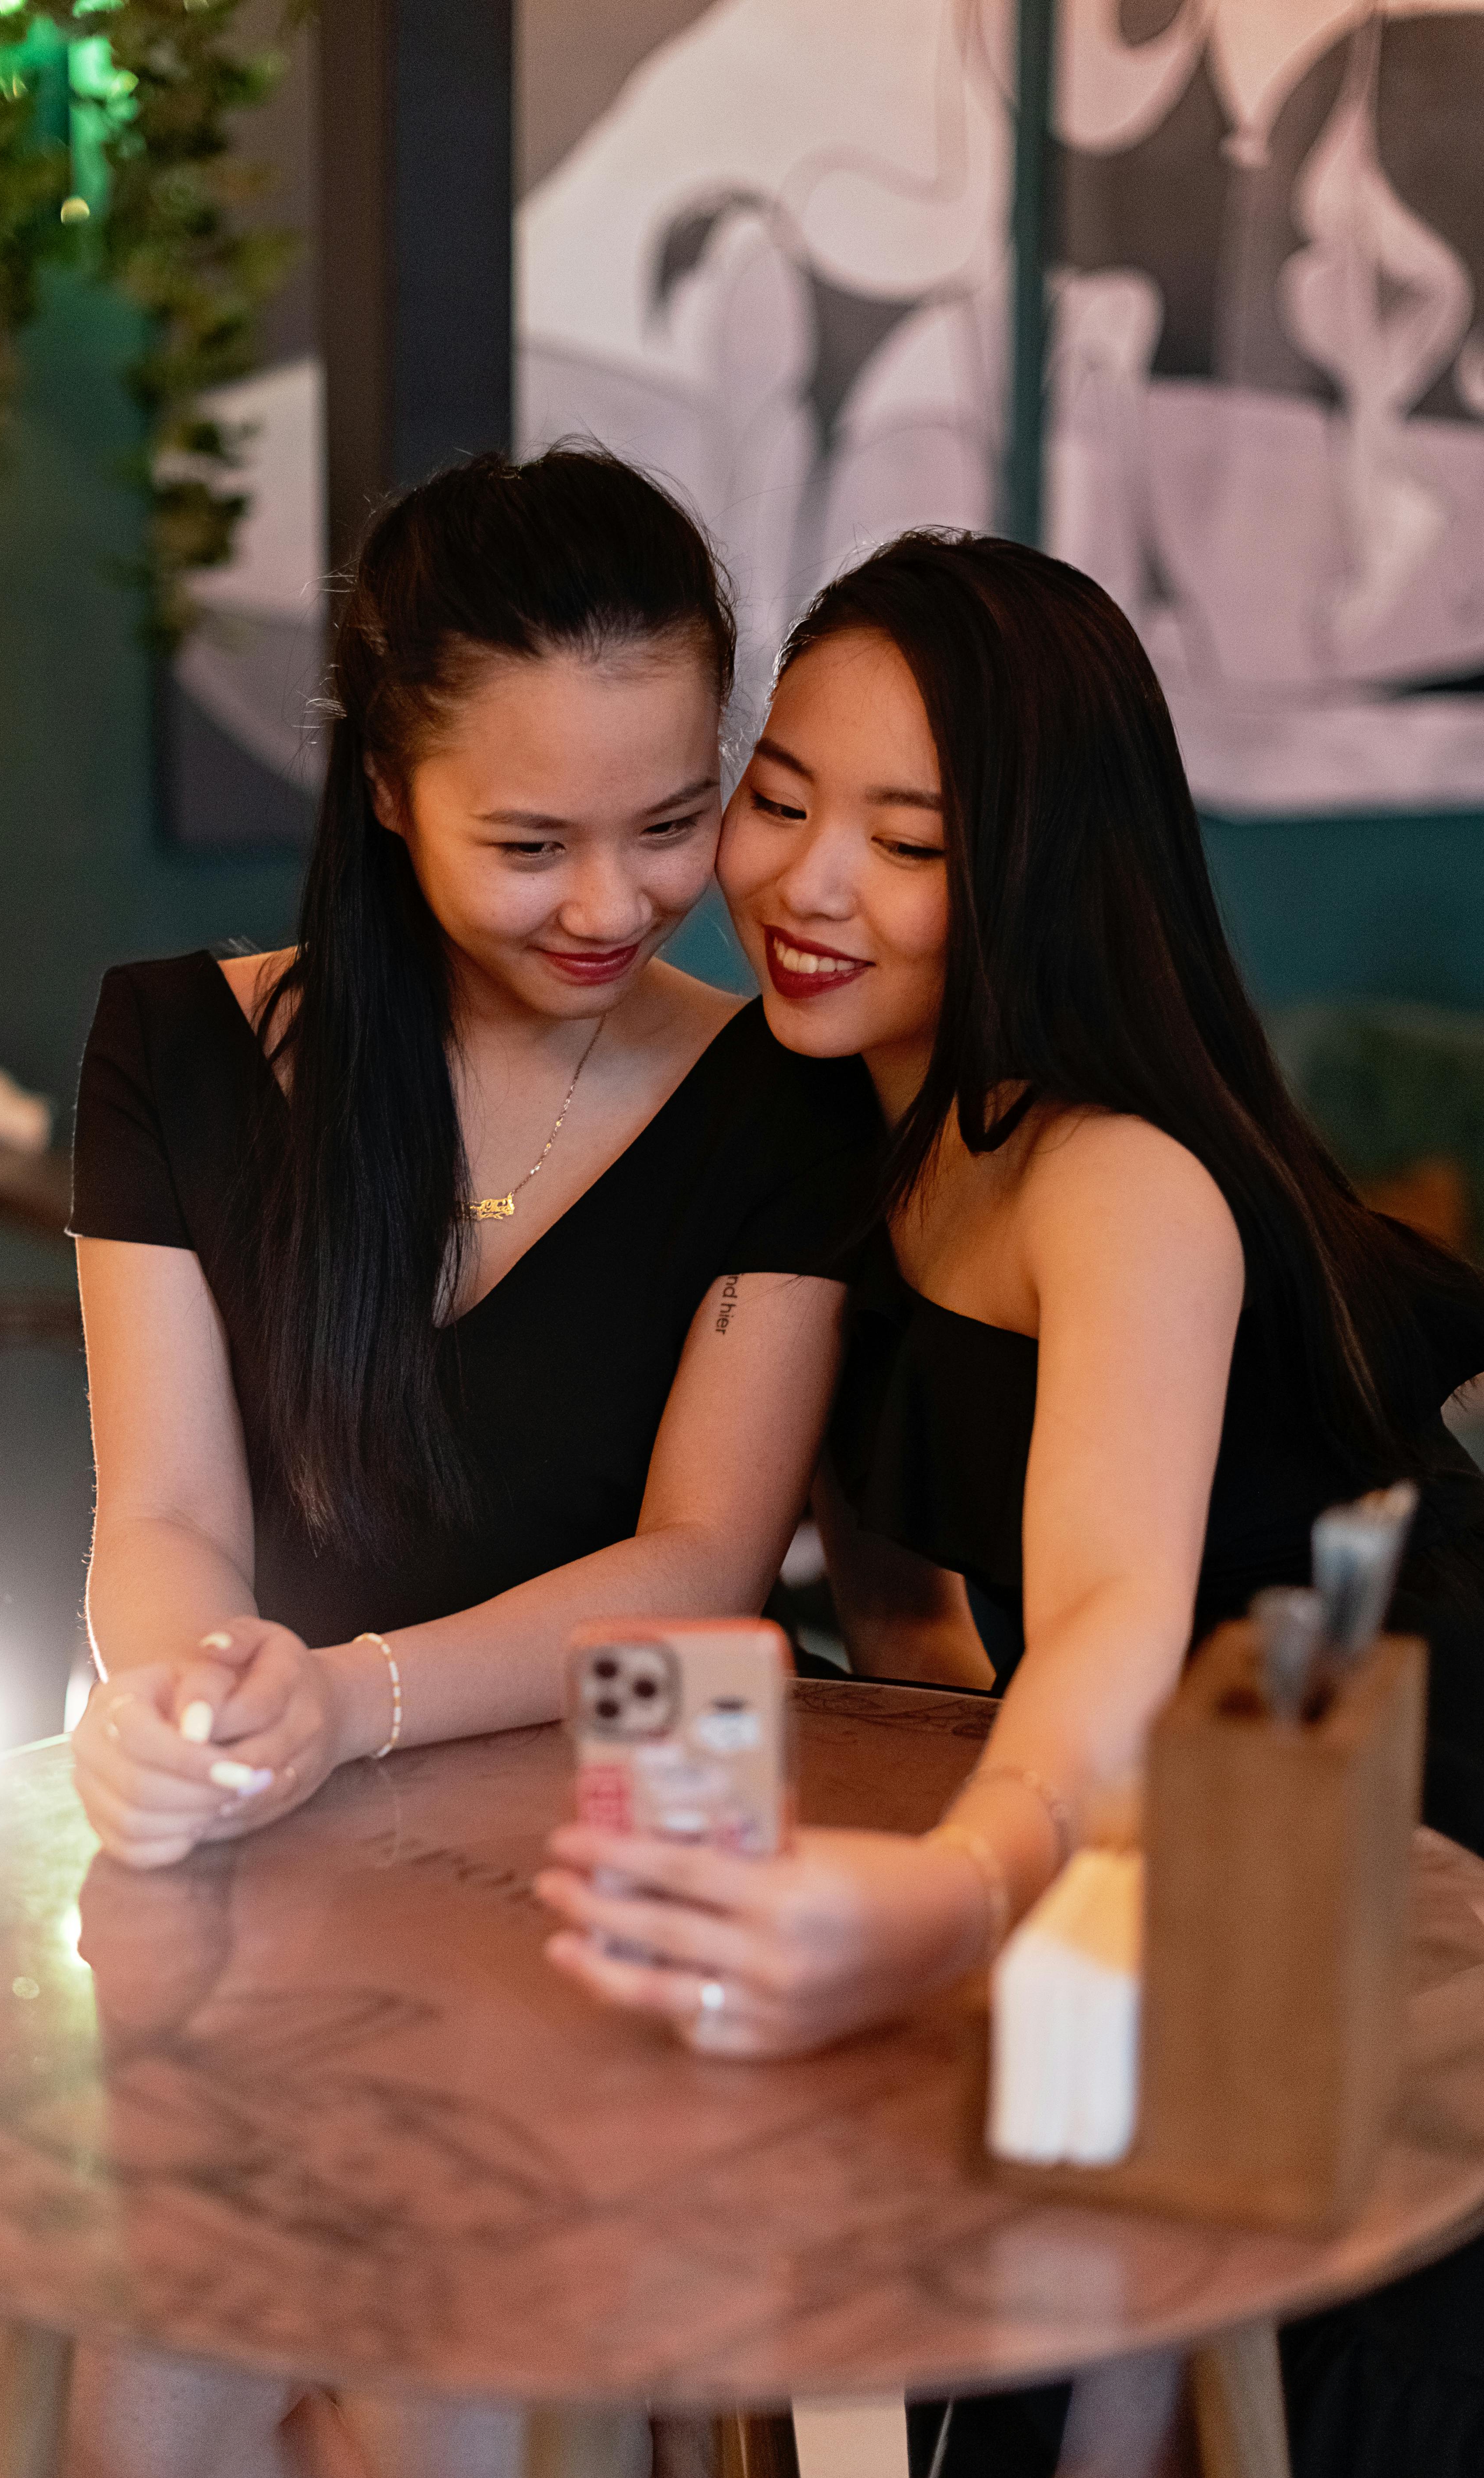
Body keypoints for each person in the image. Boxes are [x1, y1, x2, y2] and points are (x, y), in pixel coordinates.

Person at [537, 531, 1484, 2478]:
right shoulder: (836, 1132)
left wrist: (963, 1881)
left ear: (1040, 860)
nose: (805, 883)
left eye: (909, 838)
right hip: (1168, 1851)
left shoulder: (1109, 1174)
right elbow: (904, 1618)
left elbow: (1118, 1612)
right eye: (778, 797)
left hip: (1403, 1827)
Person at [65, 445, 877, 2478]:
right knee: (146, 2409)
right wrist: (195, 1693)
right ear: (385, 790)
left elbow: (699, 1557)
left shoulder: (781, 1101)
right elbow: (165, 1513)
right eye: (531, 841)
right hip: (280, 1868)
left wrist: (359, 1695)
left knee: (442, 2401)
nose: (611, 904)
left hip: (619, 1859)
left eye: (674, 822)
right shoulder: (175, 1051)